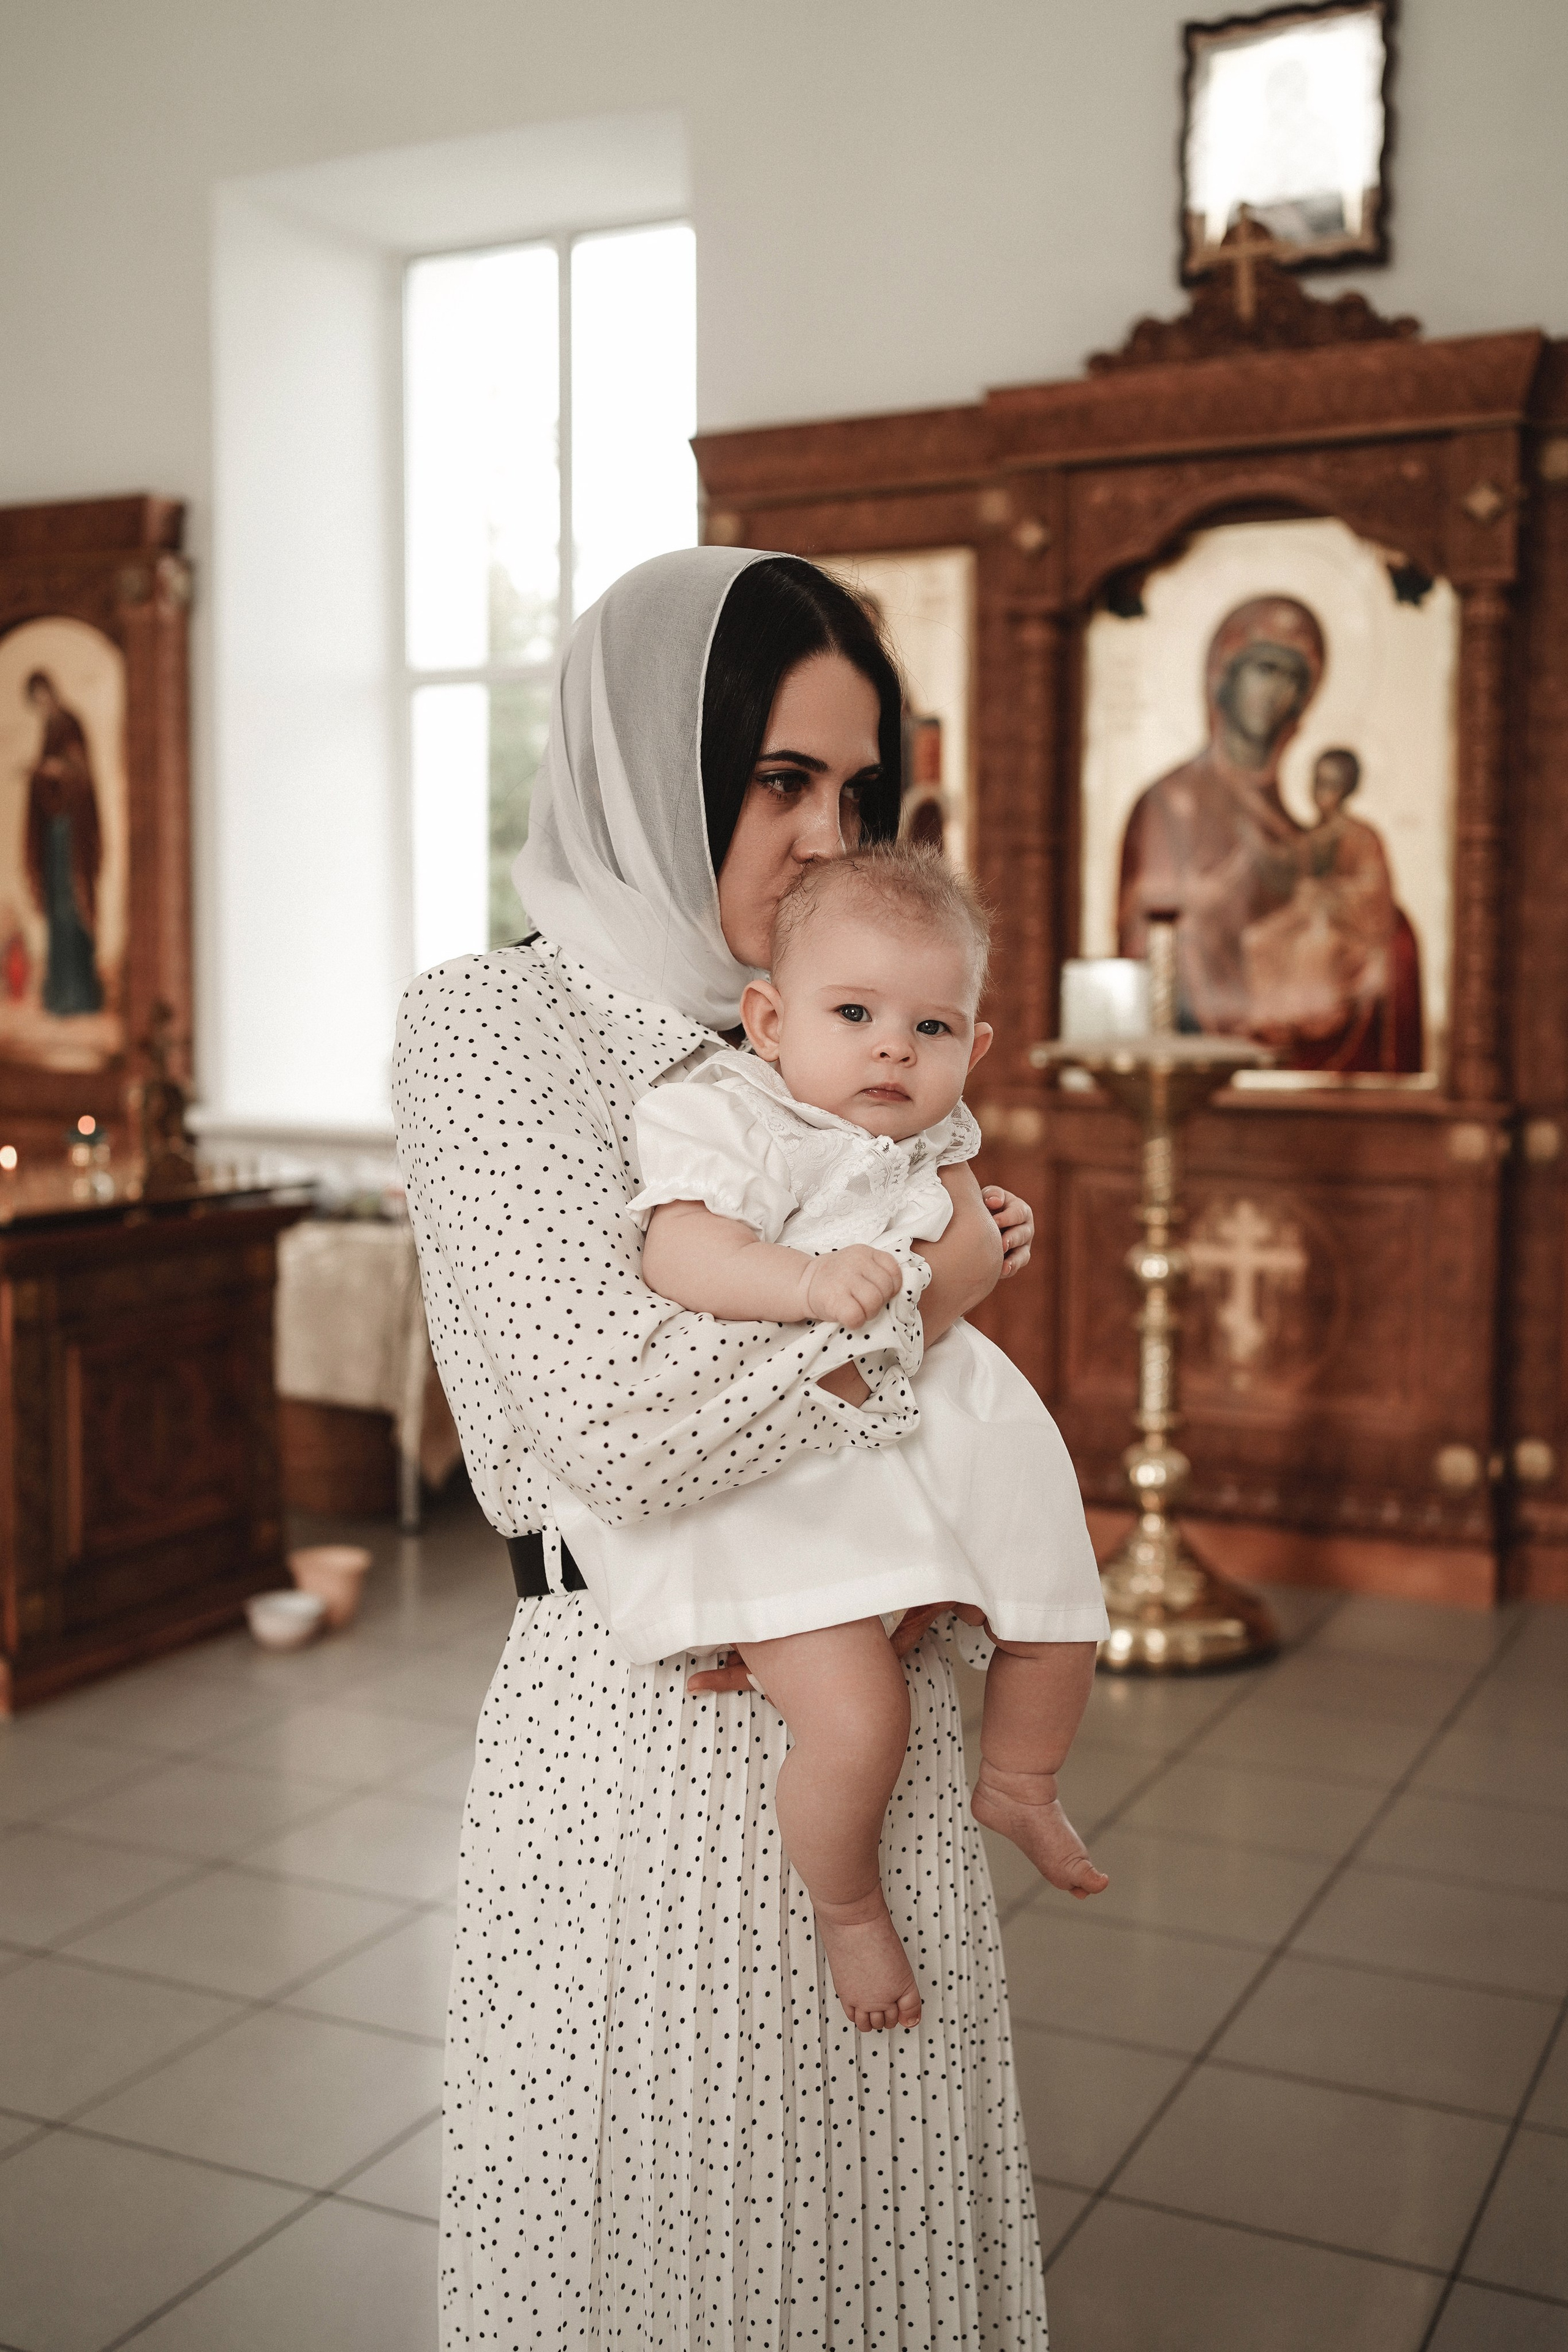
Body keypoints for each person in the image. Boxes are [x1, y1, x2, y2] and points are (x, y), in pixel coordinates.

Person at [394, 548, 1054, 2345]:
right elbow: (615, 1420)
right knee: (654, 2250)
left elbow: (952, 1398)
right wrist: (919, 1295)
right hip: (638, 1735)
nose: (831, 840)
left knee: (873, 2243)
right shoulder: (497, 1026)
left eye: (860, 792)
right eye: (781, 781)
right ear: (644, 761)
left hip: (880, 1732)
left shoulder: (856, 1029)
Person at [557, 842, 1109, 2037]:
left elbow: (949, 1244)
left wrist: (986, 1215)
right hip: (792, 1487)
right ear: (767, 1017)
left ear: (975, 1049)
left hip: (940, 1447)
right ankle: (847, 1905)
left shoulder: (934, 1136)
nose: (890, 1050)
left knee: (1061, 1606)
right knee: (861, 1719)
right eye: (852, 1012)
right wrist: (801, 1282)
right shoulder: (727, 1113)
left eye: (930, 1026)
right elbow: (677, 1253)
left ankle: (1019, 1781)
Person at [1117, 595, 1323, 1033]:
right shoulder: (1171, 803)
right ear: (1224, 676)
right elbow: (1146, 937)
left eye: (1293, 678)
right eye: (1264, 670)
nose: (1275, 692)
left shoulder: (1296, 824)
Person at [1243, 746, 1423, 1073]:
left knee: (1313, 949)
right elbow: (1285, 876)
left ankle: (1309, 1023)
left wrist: (1331, 894)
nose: (1321, 792)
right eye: (1318, 782)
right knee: (1258, 940)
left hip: (1350, 925)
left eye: (1331, 784)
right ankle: (1274, 1026)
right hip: (1307, 915)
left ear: (1346, 789)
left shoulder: (1362, 836)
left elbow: (1373, 888)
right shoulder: (1311, 838)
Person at [24, 669, 104, 1016]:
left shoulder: (69, 724)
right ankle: (59, 997)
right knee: (58, 910)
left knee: (74, 906)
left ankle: (80, 997)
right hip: (56, 833)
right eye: (36, 701)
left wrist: (55, 770)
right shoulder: (49, 728)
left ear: (51, 692)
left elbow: (79, 772)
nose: (42, 705)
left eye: (44, 697)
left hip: (72, 835)